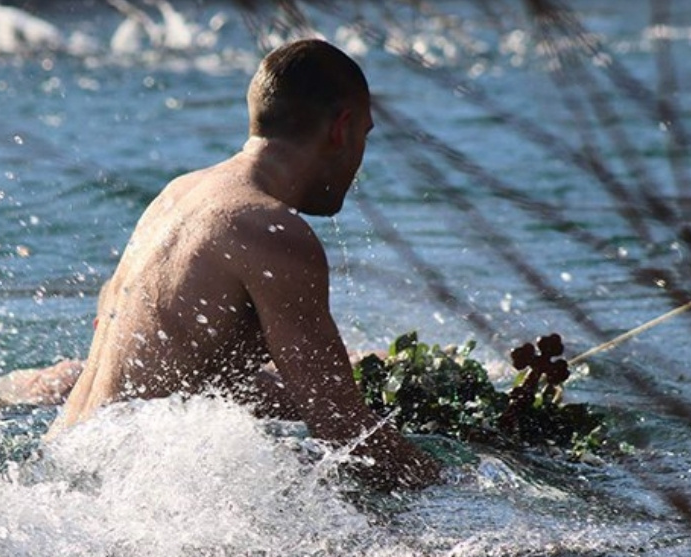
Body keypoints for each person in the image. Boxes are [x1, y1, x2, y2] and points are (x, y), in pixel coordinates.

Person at [40, 39, 440, 491]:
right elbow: (345, 432)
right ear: (341, 128)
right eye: (365, 135)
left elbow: (187, 376)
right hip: (119, 491)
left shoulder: (179, 194)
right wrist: (459, 481)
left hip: (62, 466)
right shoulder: (268, 229)